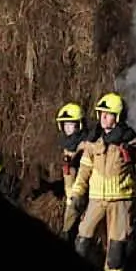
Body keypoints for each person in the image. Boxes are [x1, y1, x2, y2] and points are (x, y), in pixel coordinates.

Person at [70, 93, 136, 271]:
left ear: (117, 117)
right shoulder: (93, 141)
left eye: (107, 114)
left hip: (121, 201)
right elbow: (84, 170)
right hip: (96, 200)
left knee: (116, 246)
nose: (103, 117)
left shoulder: (131, 141)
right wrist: (77, 193)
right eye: (101, 113)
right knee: (83, 239)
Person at [54, 101, 97, 242]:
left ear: (78, 125)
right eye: (65, 124)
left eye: (70, 124)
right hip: (72, 193)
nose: (67, 128)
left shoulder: (85, 145)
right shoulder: (66, 145)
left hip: (86, 192)